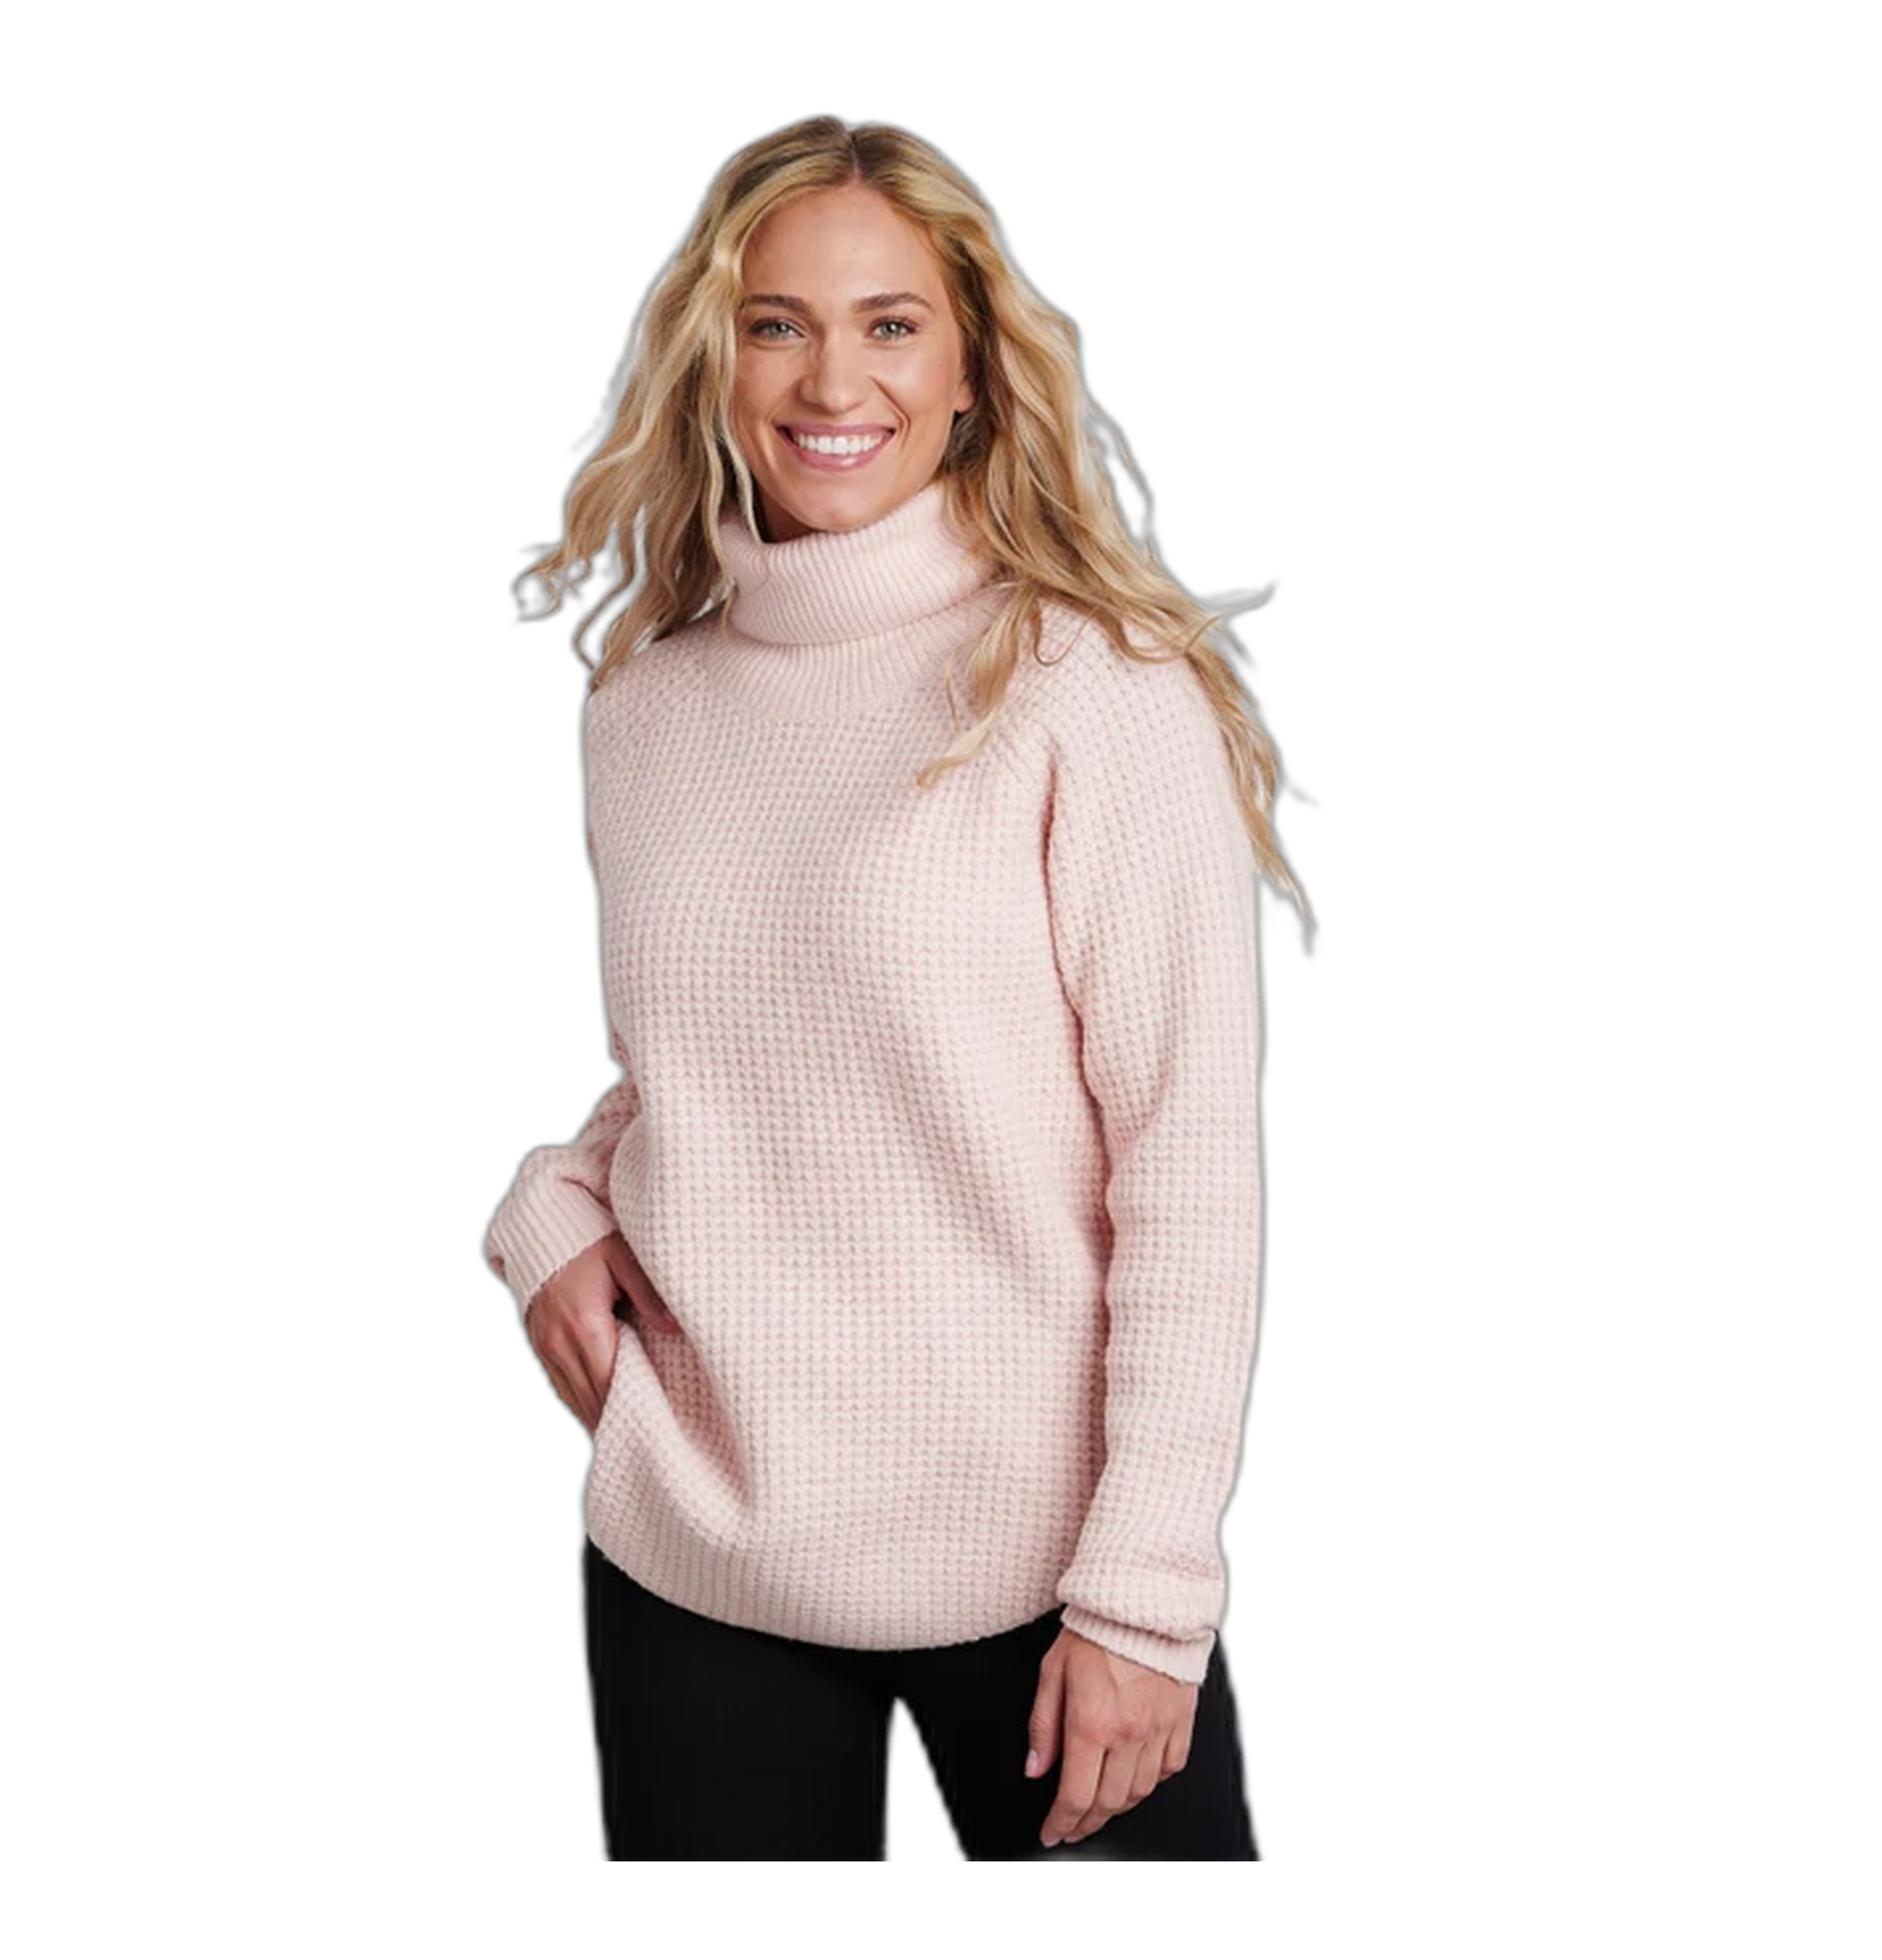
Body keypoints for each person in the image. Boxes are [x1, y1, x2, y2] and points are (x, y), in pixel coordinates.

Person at [482, 114, 1315, 1861]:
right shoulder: (648, 701)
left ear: (969, 370)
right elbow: (724, 1057)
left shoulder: (1091, 685)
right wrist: (556, 1200)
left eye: (889, 323)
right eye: (775, 324)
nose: (829, 381)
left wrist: (1148, 1594)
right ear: (714, 362)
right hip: (699, 1548)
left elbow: (1183, 1170)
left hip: (1049, 1570)